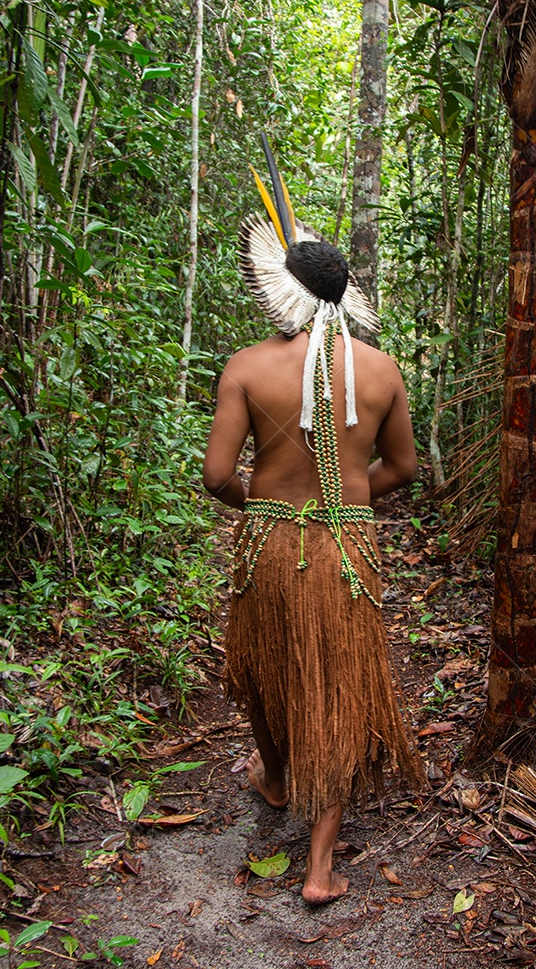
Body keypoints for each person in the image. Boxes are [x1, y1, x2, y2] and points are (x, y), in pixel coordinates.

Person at [203, 142, 426, 906]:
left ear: (283, 293)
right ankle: (320, 869)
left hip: (268, 545)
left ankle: (273, 775)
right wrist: (351, 500)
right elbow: (403, 469)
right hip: (348, 549)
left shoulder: (244, 366)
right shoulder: (383, 369)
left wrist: (264, 506)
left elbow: (214, 477)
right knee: (338, 690)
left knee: (261, 669)